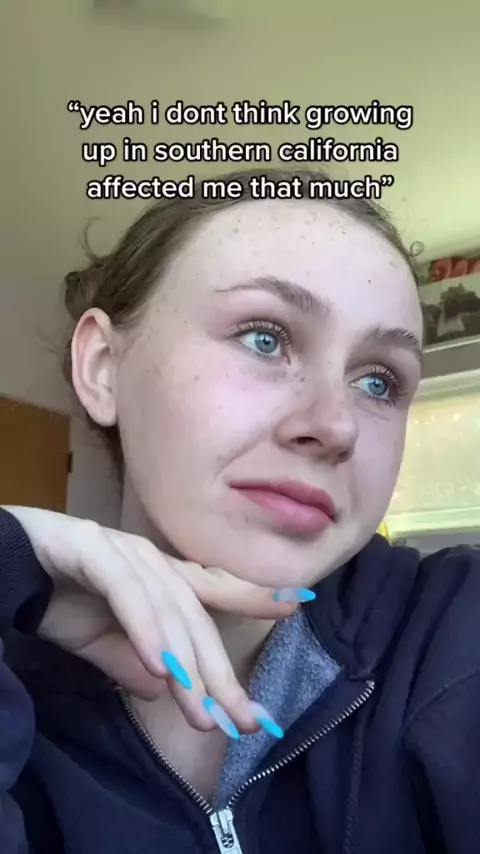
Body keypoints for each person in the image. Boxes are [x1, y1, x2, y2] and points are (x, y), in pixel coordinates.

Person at [1, 166, 479, 854]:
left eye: (379, 382)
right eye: (264, 337)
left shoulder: (451, 629)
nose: (336, 425)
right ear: (103, 365)